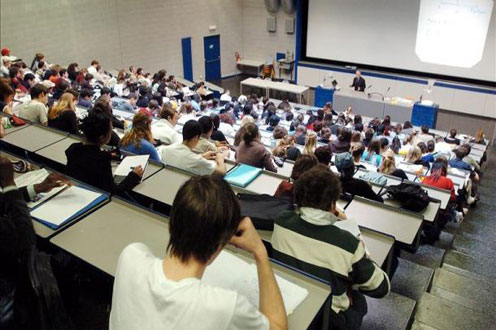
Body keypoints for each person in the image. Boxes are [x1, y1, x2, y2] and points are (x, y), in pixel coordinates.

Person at [110, 176, 287, 330]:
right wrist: (260, 252)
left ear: (173, 220)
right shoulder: (225, 307)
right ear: (220, 245)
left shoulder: (131, 255)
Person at [272, 166, 389, 329]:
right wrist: (360, 242)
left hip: (287, 298)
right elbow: (381, 288)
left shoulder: (281, 220)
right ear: (333, 205)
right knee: (360, 301)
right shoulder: (348, 243)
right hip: (327, 319)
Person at [0, 156, 71, 328]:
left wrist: (37, 188)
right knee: (64, 256)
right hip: (8, 294)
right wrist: (9, 183)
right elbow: (26, 243)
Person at [65, 112, 144, 195]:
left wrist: (108, 155)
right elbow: (114, 192)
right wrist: (134, 176)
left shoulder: (74, 149)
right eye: (110, 130)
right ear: (102, 137)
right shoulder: (101, 160)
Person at [160, 120, 226, 176]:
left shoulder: (166, 149)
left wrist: (202, 156)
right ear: (195, 138)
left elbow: (183, 158)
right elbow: (221, 172)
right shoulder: (196, 160)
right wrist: (220, 158)